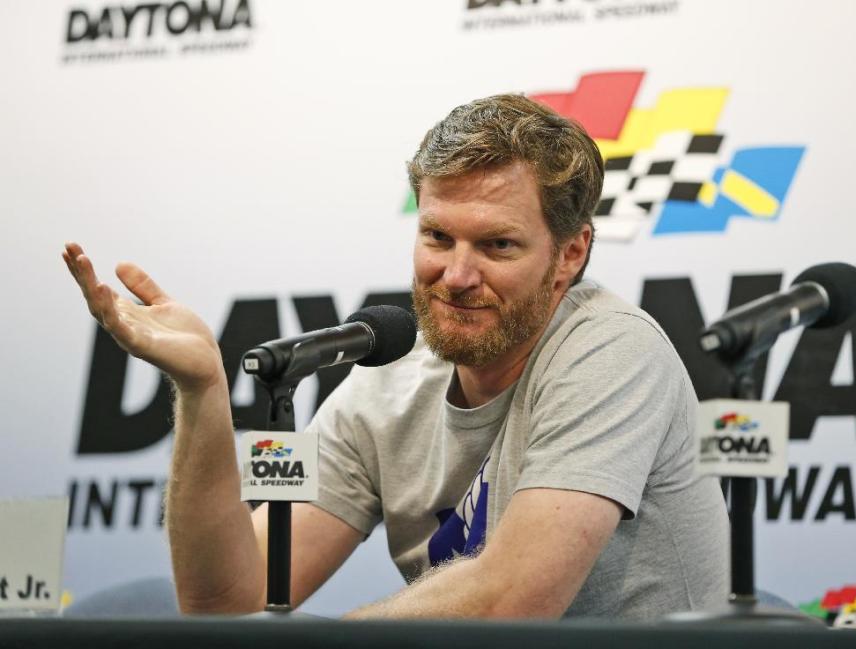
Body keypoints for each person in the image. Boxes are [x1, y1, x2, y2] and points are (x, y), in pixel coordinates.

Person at [62, 94, 729, 620]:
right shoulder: (385, 385)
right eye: (437, 236)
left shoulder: (611, 350)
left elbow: (513, 601)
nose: (457, 275)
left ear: (571, 255)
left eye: (497, 246)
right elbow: (228, 602)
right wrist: (202, 390)